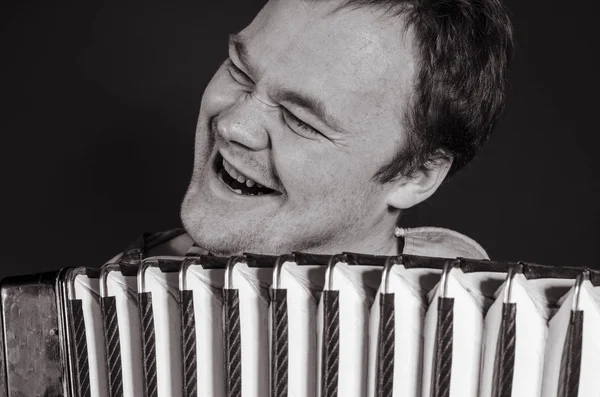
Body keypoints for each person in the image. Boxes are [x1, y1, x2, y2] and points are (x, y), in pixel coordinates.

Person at [118, 0, 514, 263]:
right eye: (239, 71)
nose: (233, 125)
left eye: (299, 119)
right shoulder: (125, 289)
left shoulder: (476, 341)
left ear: (415, 175)